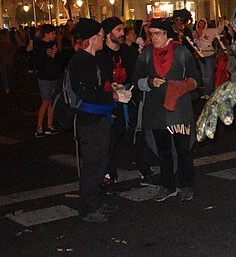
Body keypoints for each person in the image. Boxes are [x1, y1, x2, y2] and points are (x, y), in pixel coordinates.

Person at [132, 18, 201, 202]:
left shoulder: (181, 51)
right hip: (156, 112)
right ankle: (168, 185)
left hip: (179, 110)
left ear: (166, 34)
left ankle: (186, 186)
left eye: (157, 34)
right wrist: (148, 82)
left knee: (183, 150)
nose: (154, 37)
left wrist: (181, 86)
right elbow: (135, 80)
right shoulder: (146, 53)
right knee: (163, 152)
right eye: (151, 34)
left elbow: (196, 78)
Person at [68, 18, 120, 223]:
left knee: (100, 162)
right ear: (91, 38)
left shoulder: (92, 58)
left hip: (100, 116)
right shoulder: (81, 61)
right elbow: (88, 93)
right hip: (90, 120)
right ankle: (89, 207)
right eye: (100, 35)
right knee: (93, 163)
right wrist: (113, 97)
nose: (102, 38)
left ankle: (96, 201)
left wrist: (111, 94)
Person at [97, 17, 137, 184]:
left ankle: (142, 166)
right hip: (109, 101)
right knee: (108, 139)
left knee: (131, 134)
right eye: (118, 30)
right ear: (107, 33)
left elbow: (135, 72)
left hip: (127, 99)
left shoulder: (127, 52)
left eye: (123, 30)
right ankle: (107, 172)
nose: (122, 33)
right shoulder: (100, 55)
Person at [32, 25, 62, 137]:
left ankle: (50, 125)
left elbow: (59, 60)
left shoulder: (54, 45)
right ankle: (39, 127)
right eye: (52, 33)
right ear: (46, 34)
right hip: (45, 76)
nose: (54, 36)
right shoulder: (39, 46)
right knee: (45, 101)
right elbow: (40, 62)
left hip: (54, 75)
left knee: (52, 102)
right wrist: (52, 54)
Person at [188, 18, 228, 98]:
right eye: (200, 23)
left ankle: (209, 93)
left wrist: (221, 22)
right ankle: (206, 92)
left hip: (209, 54)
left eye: (203, 23)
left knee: (209, 75)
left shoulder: (210, 31)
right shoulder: (194, 33)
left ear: (205, 24)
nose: (201, 24)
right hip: (200, 55)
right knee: (204, 76)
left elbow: (219, 30)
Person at [0, 29, 17, 95]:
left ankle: (6, 87)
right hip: (8, 59)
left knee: (3, 74)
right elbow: (13, 50)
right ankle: (9, 86)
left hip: (1, 60)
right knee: (9, 73)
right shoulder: (8, 42)